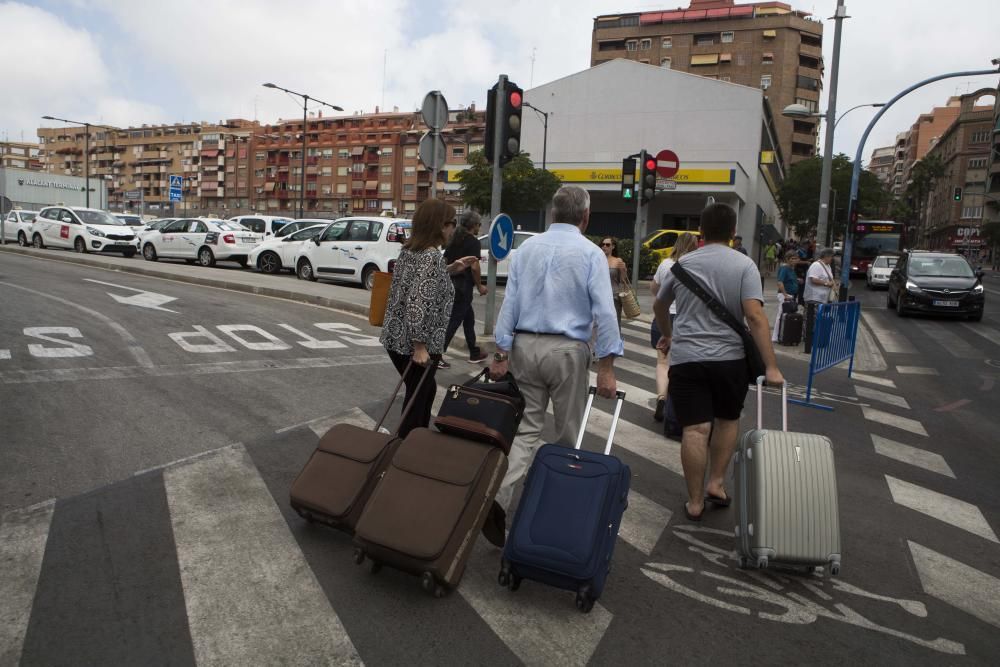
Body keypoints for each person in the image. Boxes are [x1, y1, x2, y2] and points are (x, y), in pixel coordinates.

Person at [490, 185, 622, 511]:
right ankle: (550, 508)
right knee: (567, 435)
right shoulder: (591, 253)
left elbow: (511, 301)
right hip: (567, 351)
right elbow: (605, 311)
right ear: (585, 217)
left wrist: (501, 351)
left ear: (553, 213)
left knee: (525, 431)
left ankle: (499, 498)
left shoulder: (527, 249)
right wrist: (607, 368)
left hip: (525, 346)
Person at [652, 203, 783, 522]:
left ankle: (694, 502)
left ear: (701, 231)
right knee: (727, 419)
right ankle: (716, 483)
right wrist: (771, 366)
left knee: (695, 430)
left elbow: (659, 305)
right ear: (733, 233)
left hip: (687, 360)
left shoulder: (681, 265)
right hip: (729, 360)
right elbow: (754, 315)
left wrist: (668, 335)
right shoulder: (744, 265)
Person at [379, 199, 478, 439]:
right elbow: (417, 300)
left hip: (395, 338)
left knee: (423, 389)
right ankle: (407, 443)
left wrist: (450, 269)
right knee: (418, 395)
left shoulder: (411, 250)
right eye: (452, 222)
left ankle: (413, 438)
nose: (454, 228)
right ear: (440, 225)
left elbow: (419, 285)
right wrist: (420, 347)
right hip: (415, 343)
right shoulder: (431, 256)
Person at [649, 232, 699, 421]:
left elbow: (654, 289)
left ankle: (662, 396)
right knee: (681, 364)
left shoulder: (665, 264)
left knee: (662, 362)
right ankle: (675, 405)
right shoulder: (695, 266)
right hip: (685, 318)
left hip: (663, 317)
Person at [440, 210, 489, 369]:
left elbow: (445, 259)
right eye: (479, 225)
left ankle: (474, 352)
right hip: (463, 286)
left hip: (450, 283)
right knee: (454, 321)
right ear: (473, 225)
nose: (479, 228)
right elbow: (474, 267)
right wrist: (480, 285)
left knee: (469, 320)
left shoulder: (454, 239)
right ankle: (437, 355)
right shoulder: (473, 242)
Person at [601, 236, 629, 332]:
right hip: (600, 296)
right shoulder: (598, 259)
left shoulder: (618, 261)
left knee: (614, 324)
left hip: (614, 296)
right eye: (603, 244)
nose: (604, 246)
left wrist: (624, 270)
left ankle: (616, 344)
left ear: (613, 247)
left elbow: (622, 280)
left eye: (607, 244)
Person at [772, 251, 800, 343]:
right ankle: (775, 337)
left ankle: (784, 335)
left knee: (786, 315)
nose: (794, 260)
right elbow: (780, 282)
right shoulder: (784, 268)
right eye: (792, 259)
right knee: (781, 315)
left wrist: (798, 281)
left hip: (791, 295)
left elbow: (789, 281)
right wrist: (785, 295)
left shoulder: (792, 269)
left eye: (796, 258)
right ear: (787, 259)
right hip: (785, 295)